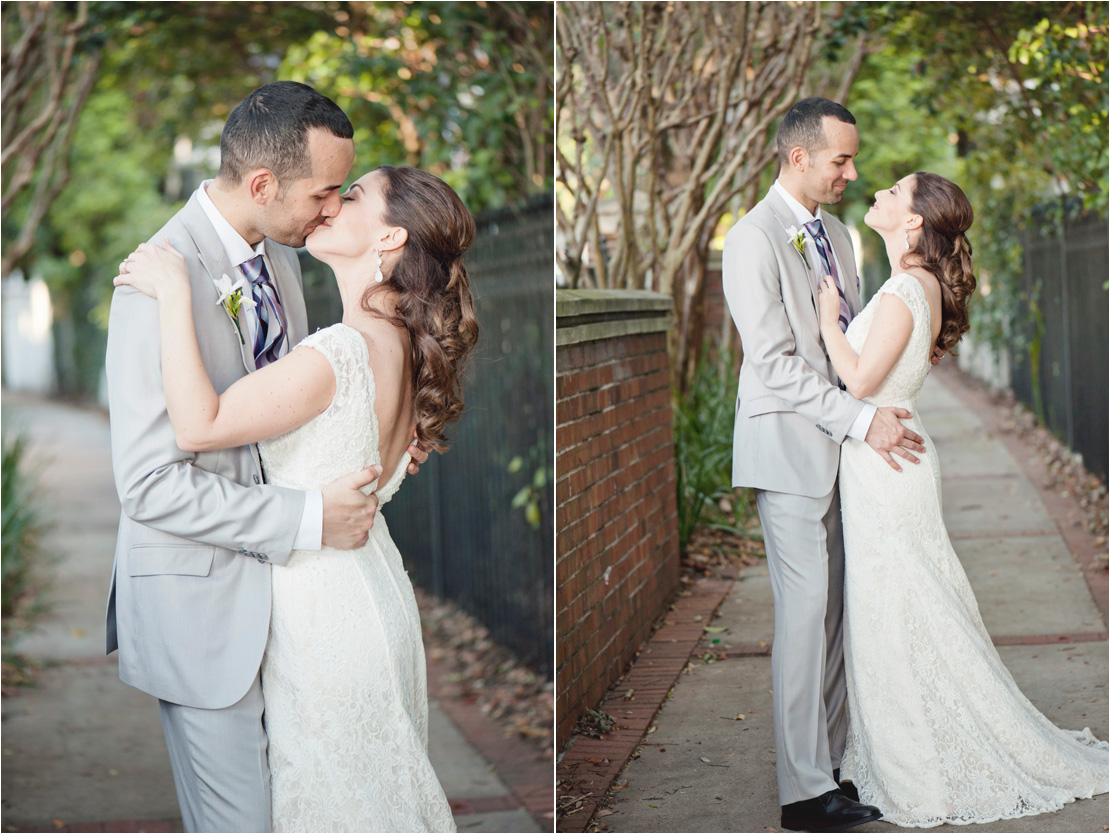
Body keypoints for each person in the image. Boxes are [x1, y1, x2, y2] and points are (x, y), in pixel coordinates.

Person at [104, 81, 430, 832]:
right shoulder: (154, 281)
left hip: (301, 614)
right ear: (261, 184)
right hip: (204, 609)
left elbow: (290, 417)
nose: (330, 209)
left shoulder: (283, 263)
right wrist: (309, 515)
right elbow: (150, 484)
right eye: (323, 193)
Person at [817, 170, 1109, 827]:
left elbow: (859, 377)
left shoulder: (902, 289)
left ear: (914, 221)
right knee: (903, 606)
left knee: (900, 608)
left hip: (888, 464)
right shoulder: (914, 285)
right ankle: (897, 750)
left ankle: (919, 762)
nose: (880, 196)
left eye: (894, 193)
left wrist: (826, 314)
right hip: (888, 457)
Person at [721, 97, 928, 832]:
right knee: (805, 619)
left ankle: (831, 768)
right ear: (799, 157)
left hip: (844, 453)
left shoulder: (839, 233)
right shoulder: (750, 239)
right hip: (788, 453)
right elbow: (775, 366)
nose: (851, 171)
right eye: (841, 159)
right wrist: (864, 420)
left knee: (840, 616)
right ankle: (803, 793)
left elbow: (847, 342)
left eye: (852, 158)